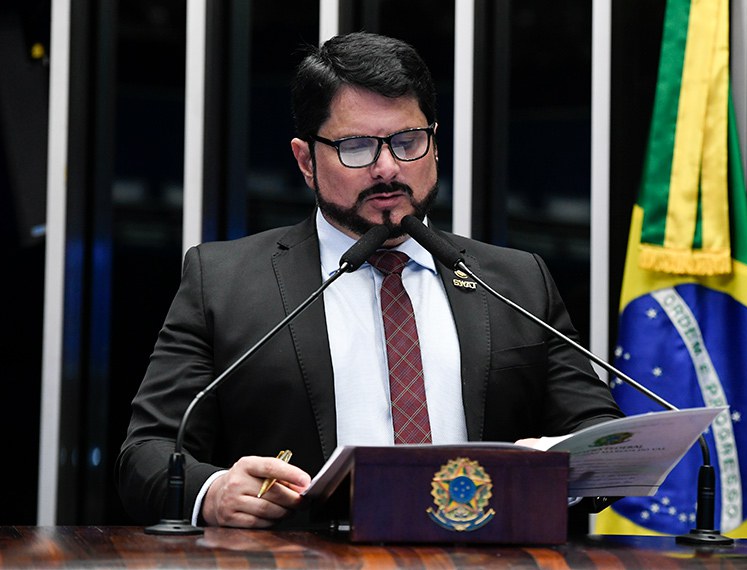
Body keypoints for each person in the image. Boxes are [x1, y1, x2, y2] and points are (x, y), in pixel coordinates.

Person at [116, 31, 622, 529]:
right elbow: (147, 454)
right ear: (305, 161)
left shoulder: (516, 281)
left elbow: (602, 433)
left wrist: (557, 460)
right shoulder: (224, 281)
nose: (386, 168)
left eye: (407, 142)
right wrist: (214, 491)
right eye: (356, 146)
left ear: (435, 146)